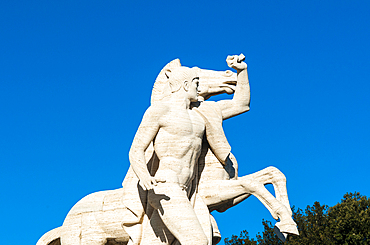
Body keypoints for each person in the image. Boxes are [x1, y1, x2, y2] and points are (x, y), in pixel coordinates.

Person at [128, 66, 209, 245]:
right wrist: (144, 176)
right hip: (166, 187)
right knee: (197, 241)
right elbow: (136, 149)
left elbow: (240, 105)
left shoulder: (198, 119)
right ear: (186, 85)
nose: (199, 88)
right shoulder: (160, 110)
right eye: (197, 84)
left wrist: (242, 72)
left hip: (188, 191)